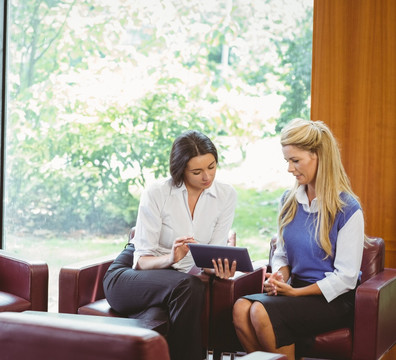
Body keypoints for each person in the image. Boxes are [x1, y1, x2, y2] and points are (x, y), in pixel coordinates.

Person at [232, 119, 366, 360]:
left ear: (319, 156)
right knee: (241, 308)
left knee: (260, 312)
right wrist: (280, 277)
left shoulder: (348, 209)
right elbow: (282, 253)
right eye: (287, 161)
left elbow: (346, 278)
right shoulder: (289, 200)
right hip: (296, 288)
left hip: (332, 299)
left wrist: (295, 294)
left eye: (295, 161)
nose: (290, 169)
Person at [103, 130, 237, 360]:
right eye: (197, 171)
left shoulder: (226, 195)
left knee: (161, 315)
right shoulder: (158, 193)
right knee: (189, 287)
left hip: (174, 288)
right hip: (129, 276)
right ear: (180, 170)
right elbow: (141, 261)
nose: (207, 177)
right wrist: (171, 258)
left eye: (212, 167)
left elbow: (209, 258)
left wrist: (219, 268)